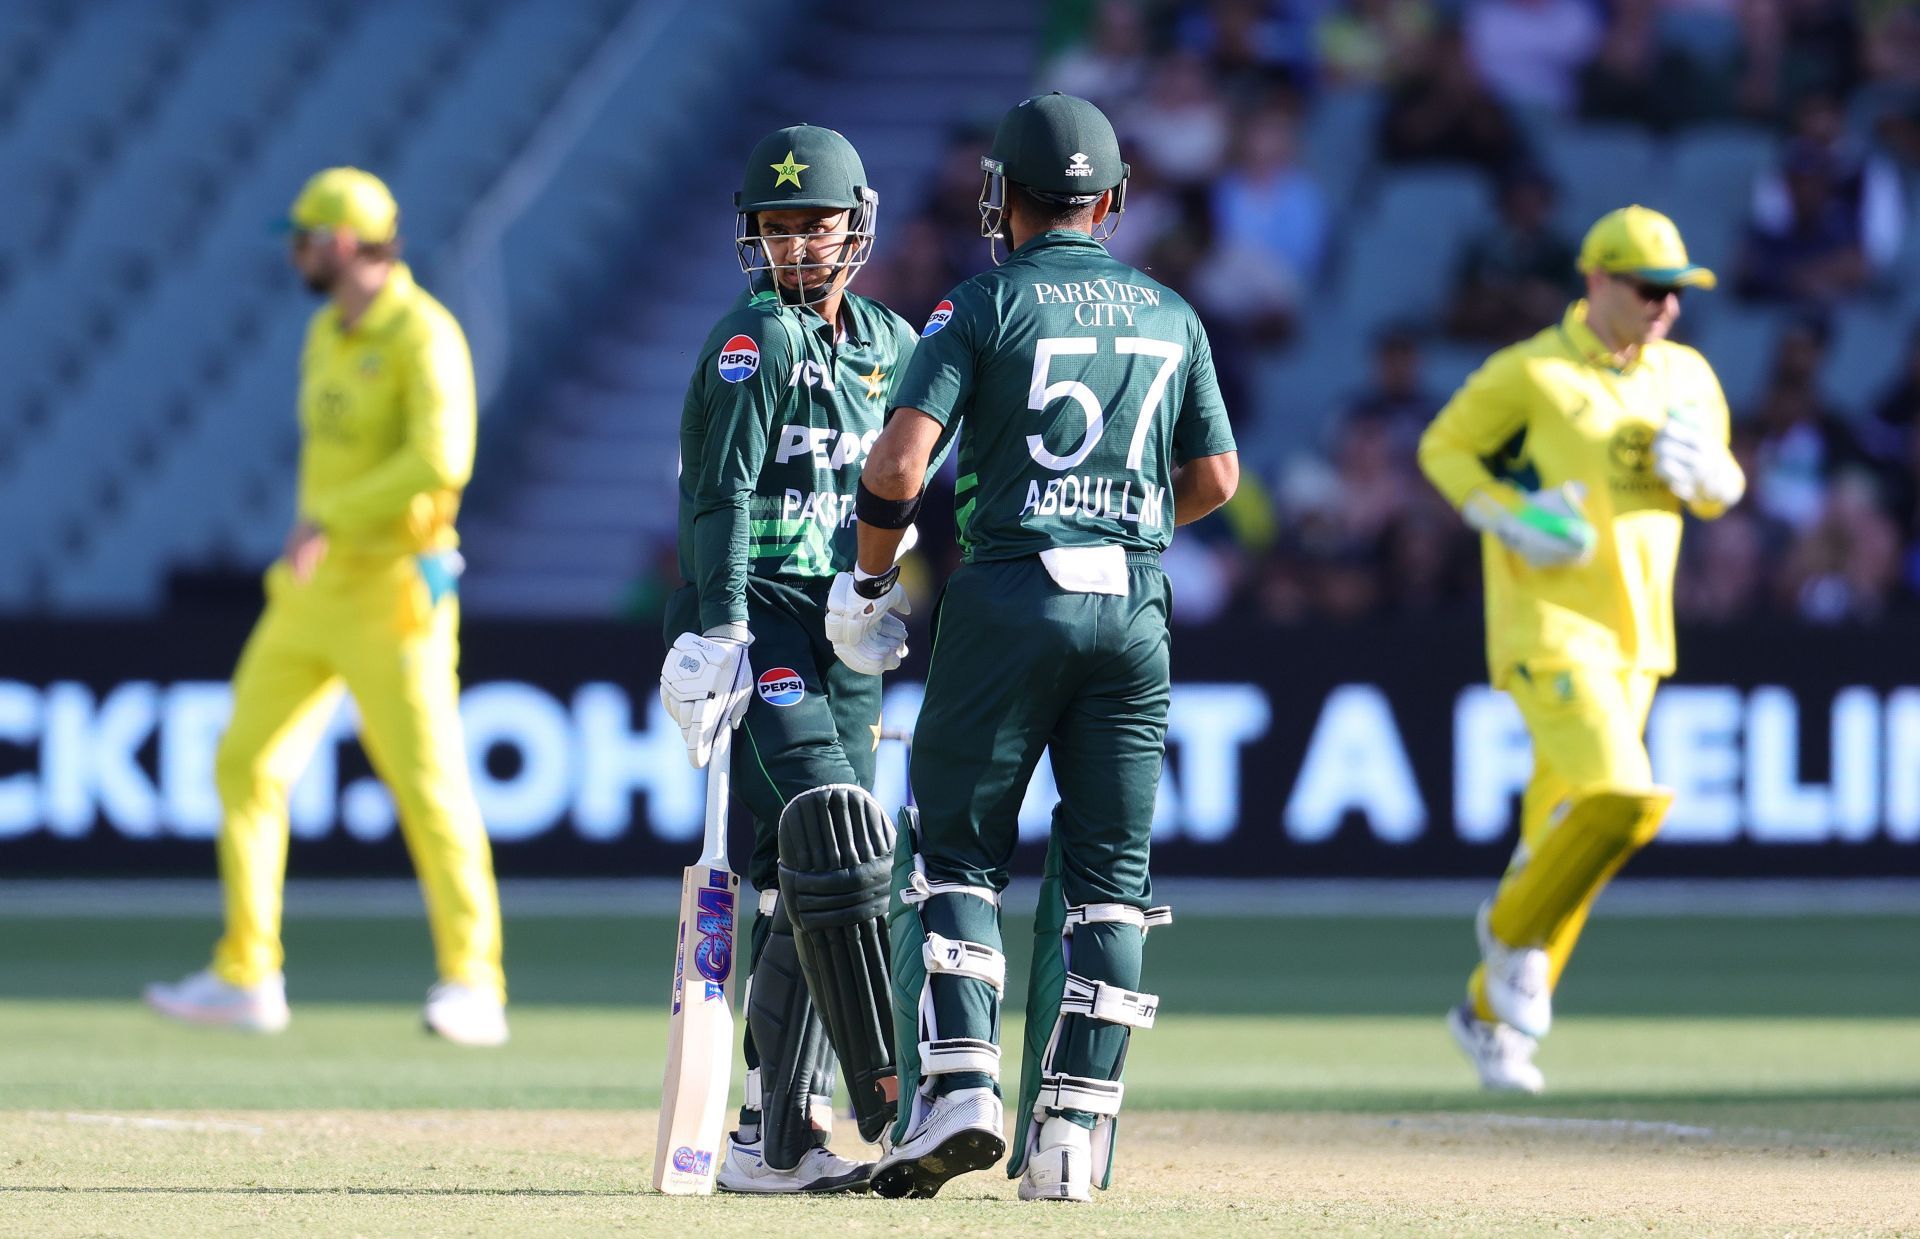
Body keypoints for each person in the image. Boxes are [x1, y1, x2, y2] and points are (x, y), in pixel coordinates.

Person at [826, 92, 1239, 1202]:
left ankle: (960, 1086)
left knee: (955, 853)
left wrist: (867, 580)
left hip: (1012, 594)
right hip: (1135, 608)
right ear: (1109, 202)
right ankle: (1072, 1138)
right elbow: (1216, 482)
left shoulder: (981, 303)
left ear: (1001, 199)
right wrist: (1120, 520)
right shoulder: (1170, 311)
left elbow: (898, 469)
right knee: (1110, 882)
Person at [144, 168, 506, 1046]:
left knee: (428, 784)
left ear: (341, 243)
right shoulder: (325, 331)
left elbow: (441, 460)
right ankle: (246, 971)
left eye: (303, 236)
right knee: (245, 761)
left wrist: (328, 516)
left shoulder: (425, 334)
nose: (294, 251)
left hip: (395, 589)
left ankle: (474, 983)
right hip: (311, 590)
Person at [1417, 205, 1745, 1093]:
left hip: (1642, 637)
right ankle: (1512, 930)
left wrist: (1716, 478)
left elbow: (1721, 482)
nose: (1667, 307)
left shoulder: (1685, 374)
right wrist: (1511, 516)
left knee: (1562, 841)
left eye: (1677, 292)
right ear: (1595, 279)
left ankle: (1489, 1018)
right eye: (1650, 289)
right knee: (1622, 798)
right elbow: (1444, 448)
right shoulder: (1532, 371)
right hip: (1551, 629)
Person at [658, 124, 922, 1194]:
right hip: (760, 617)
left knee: (806, 881)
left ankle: (772, 1131)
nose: (798, 248)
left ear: (856, 224)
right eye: (777, 229)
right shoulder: (750, 342)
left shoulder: (894, 345)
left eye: (815, 224)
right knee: (835, 837)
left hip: (842, 628)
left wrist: (878, 585)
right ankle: (884, 1098)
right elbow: (715, 494)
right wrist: (716, 629)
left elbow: (905, 484)